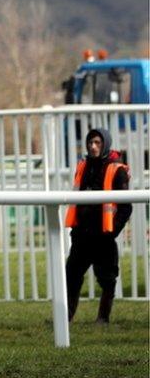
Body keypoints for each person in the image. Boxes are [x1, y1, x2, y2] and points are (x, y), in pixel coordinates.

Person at [64, 128, 131, 323]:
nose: (93, 146)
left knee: (107, 280)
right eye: (90, 142)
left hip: (103, 237)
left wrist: (112, 232)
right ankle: (65, 318)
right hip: (82, 235)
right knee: (72, 276)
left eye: (97, 143)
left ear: (105, 144)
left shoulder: (117, 169)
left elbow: (126, 207)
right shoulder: (83, 166)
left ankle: (103, 318)